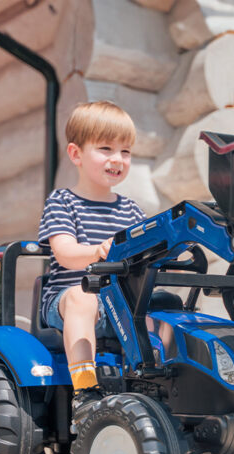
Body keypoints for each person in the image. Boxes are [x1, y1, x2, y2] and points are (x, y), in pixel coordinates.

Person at [38, 101, 145, 404]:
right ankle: (85, 387)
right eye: (106, 149)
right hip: (67, 301)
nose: (118, 159)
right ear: (76, 154)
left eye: (125, 151)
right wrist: (98, 252)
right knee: (81, 297)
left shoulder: (132, 210)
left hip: (120, 305)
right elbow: (65, 254)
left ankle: (159, 379)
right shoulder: (62, 202)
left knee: (166, 307)